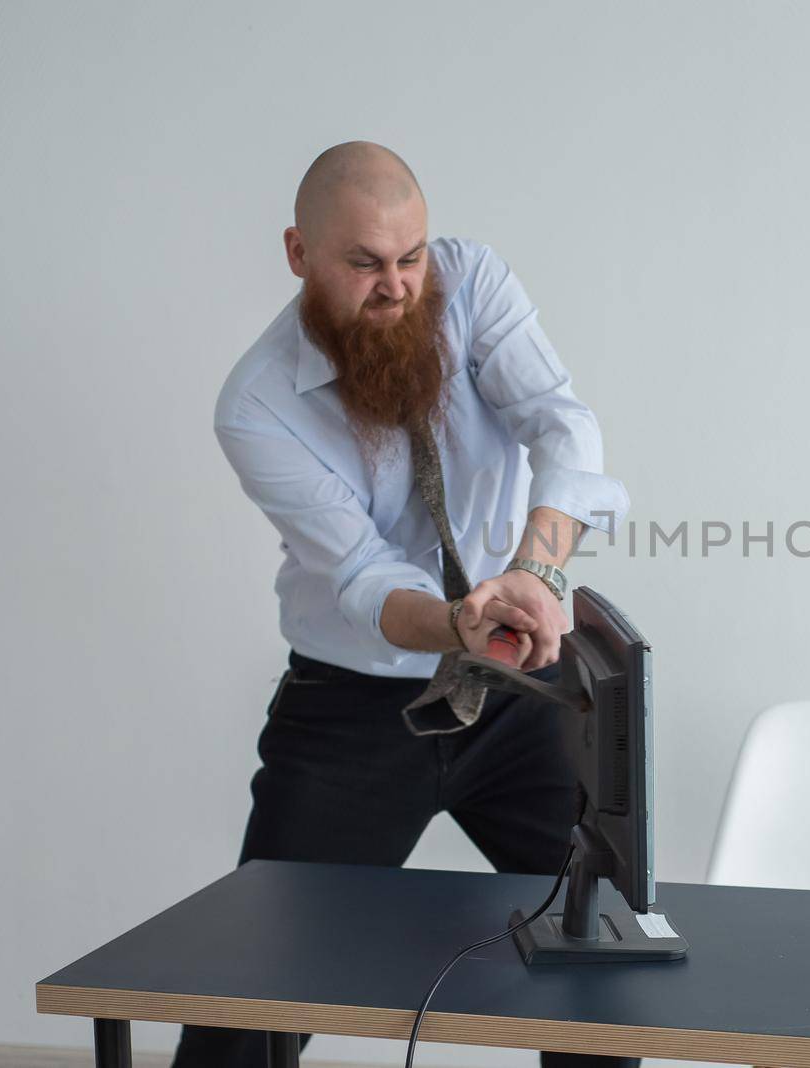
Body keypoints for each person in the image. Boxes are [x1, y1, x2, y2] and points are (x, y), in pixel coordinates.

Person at [171, 141, 632, 1068]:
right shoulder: (256, 404)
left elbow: (562, 426)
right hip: (353, 710)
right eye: (364, 264)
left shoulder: (472, 282)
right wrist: (461, 620)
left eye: (409, 257)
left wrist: (534, 577)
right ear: (300, 254)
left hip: (517, 691)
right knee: (252, 993)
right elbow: (363, 577)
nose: (396, 288)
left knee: (601, 955)